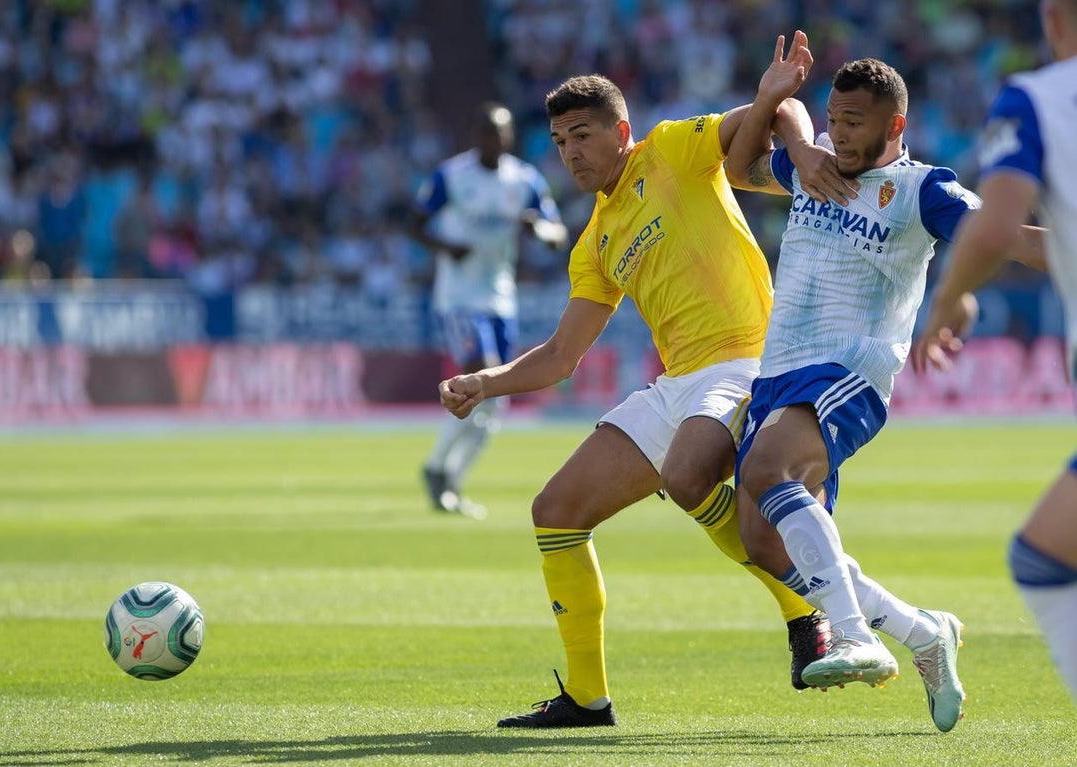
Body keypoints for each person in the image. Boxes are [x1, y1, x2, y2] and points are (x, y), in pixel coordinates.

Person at [440, 49, 853, 727]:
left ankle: (800, 604)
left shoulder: (669, 151)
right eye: (560, 142)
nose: (570, 153)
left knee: (688, 475)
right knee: (557, 509)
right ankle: (586, 697)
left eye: (583, 135)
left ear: (621, 131)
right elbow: (560, 356)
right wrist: (485, 382)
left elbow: (777, 109)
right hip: (680, 383)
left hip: (748, 360)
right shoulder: (595, 241)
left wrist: (803, 148)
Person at [725, 35, 1046, 732]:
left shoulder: (921, 189)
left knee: (766, 466)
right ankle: (924, 631)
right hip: (780, 371)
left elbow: (1005, 235)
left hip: (849, 370)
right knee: (763, 540)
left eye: (855, 125)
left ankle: (854, 634)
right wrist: (777, 105)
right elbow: (739, 163)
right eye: (834, 122)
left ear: (894, 125)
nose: (839, 135)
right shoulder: (812, 168)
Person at [914, 0, 1077, 705]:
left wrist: (948, 300)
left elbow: (994, 227)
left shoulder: (1040, 99)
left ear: (1052, 19)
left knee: (1042, 559)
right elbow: (1033, 239)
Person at [411, 102, 568, 519]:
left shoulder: (523, 179)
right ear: (474, 137)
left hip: (501, 296)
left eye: (498, 133)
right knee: (483, 370)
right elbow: (414, 222)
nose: (491, 141)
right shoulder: (452, 176)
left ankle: (450, 477)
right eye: (484, 133)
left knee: (495, 401)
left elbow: (556, 232)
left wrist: (540, 230)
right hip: (460, 296)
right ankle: (434, 469)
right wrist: (447, 248)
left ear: (509, 137)